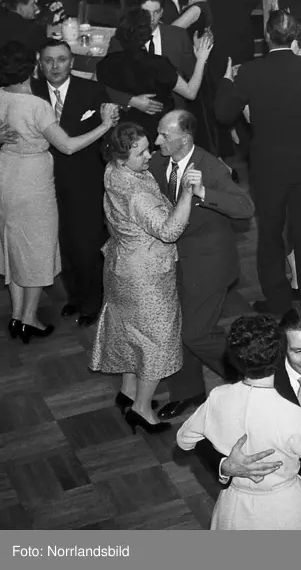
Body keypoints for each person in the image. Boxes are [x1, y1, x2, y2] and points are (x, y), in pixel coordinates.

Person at [176, 313, 301, 529]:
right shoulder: (289, 413)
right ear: (282, 348)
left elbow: (184, 438)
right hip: (289, 510)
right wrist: (224, 465)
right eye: (298, 351)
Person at [214, 10, 301, 317]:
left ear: (267, 38)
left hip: (268, 168)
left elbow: (224, 114)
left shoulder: (249, 72)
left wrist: (226, 79)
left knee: (271, 235)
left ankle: (277, 301)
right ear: (295, 38)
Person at [90, 122, 203, 433]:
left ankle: (128, 393)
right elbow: (169, 231)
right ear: (122, 157)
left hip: (119, 266)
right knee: (155, 339)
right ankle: (141, 409)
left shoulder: (113, 171)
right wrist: (187, 195)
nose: (149, 155)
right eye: (140, 152)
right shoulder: (137, 191)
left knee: (130, 331)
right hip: (146, 276)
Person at [0, 42, 118, 339]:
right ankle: (54, 306)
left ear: (72, 61)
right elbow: (63, 143)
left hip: (72, 181)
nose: (55, 66)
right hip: (35, 183)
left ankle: (88, 303)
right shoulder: (31, 96)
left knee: (81, 243)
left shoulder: (92, 91)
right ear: (37, 63)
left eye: (62, 60)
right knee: (49, 247)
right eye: (49, 60)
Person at [149, 109, 253, 419]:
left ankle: (249, 378)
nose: (157, 141)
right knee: (177, 329)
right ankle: (188, 391)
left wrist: (204, 192)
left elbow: (245, 208)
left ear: (185, 138)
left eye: (164, 136)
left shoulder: (210, 166)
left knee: (195, 333)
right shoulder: (157, 162)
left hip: (209, 266)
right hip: (173, 264)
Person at [97, 8, 210, 133]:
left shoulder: (106, 63)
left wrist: (130, 101)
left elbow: (98, 87)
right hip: (157, 128)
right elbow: (191, 92)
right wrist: (201, 58)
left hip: (123, 127)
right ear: (147, 35)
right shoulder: (158, 65)